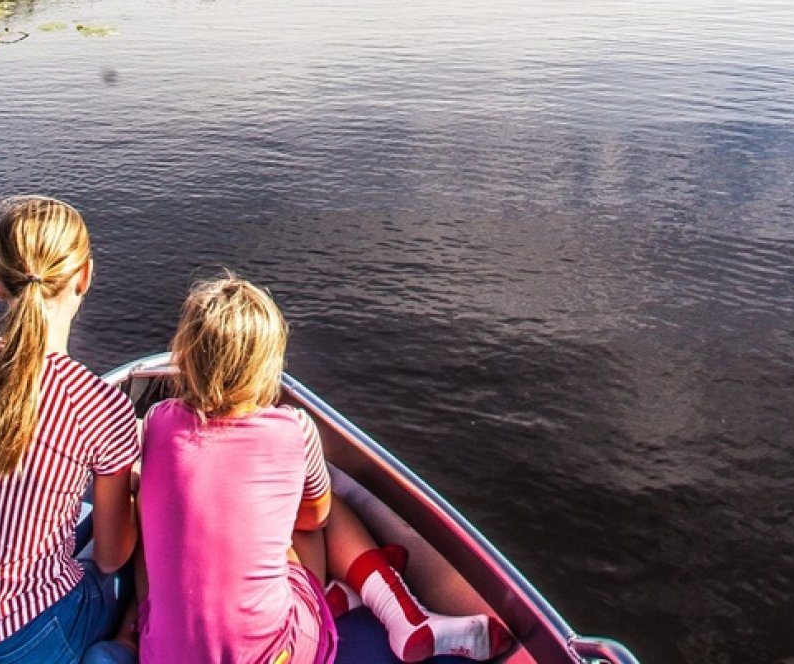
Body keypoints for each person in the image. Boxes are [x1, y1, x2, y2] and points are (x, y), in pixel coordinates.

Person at [126, 275, 512, 664]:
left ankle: (349, 597)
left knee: (150, 508)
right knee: (329, 509)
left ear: (187, 356)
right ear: (268, 363)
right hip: (281, 655)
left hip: (164, 656)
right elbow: (315, 520)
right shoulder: (294, 429)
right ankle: (399, 616)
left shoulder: (158, 422)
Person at [0, 195, 139, 662]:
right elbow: (112, 555)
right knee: (135, 560)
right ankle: (127, 647)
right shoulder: (100, 406)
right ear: (85, 277)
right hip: (24, 635)